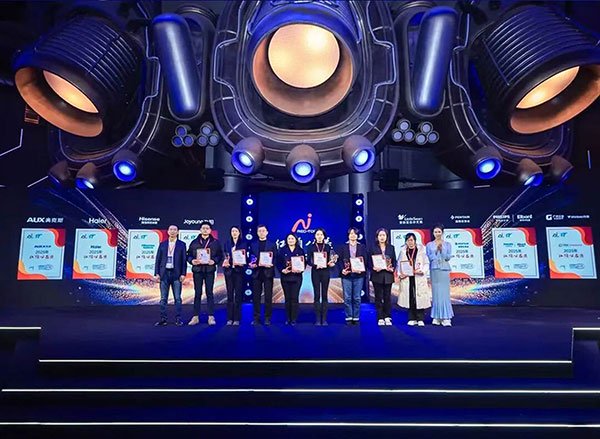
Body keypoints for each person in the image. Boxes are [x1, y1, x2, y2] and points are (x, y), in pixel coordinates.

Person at [187, 221, 223, 326]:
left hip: (209, 270)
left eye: (207, 228)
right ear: (200, 230)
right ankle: (195, 317)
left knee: (209, 293)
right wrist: (192, 260)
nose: (205, 230)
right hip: (197, 270)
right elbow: (188, 255)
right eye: (203, 228)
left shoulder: (215, 242)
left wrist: (214, 261)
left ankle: (211, 316)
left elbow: (220, 255)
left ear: (210, 230)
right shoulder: (194, 242)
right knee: (197, 293)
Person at [154, 225, 187, 326]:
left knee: (177, 298)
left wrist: (183, 273)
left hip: (176, 274)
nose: (172, 231)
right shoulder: (163, 244)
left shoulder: (182, 244)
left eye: (175, 230)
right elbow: (158, 259)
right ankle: (163, 319)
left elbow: (184, 260)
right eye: (171, 229)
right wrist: (156, 273)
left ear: (178, 232)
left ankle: (178, 319)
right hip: (164, 274)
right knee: (163, 299)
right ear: (168, 231)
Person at [397, 232, 431, 326]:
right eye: (408, 240)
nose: (410, 242)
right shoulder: (403, 251)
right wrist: (400, 274)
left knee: (419, 297)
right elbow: (399, 264)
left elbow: (426, 263)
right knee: (410, 297)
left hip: (418, 277)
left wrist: (422, 271)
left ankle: (420, 318)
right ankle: (411, 318)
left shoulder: (421, 251)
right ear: (406, 241)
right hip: (408, 278)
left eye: (412, 240)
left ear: (415, 241)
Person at [306, 228, 337, 326]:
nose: (319, 236)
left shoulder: (328, 247)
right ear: (315, 236)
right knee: (316, 295)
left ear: (324, 236)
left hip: (325, 272)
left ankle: (324, 318)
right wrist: (315, 265)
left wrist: (331, 263)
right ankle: (317, 318)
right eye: (317, 234)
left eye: (321, 234)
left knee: (324, 295)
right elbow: (308, 261)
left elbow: (332, 259)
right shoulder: (311, 247)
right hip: (315, 272)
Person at [248, 224, 277, 325]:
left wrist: (271, 264)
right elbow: (251, 257)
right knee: (256, 297)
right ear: (257, 233)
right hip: (257, 273)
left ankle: (267, 318)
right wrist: (251, 263)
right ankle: (256, 318)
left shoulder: (272, 244)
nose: (261, 232)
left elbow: (275, 258)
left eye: (263, 231)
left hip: (268, 273)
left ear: (267, 232)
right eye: (259, 231)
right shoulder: (253, 244)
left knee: (268, 297)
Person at [426, 224, 454, 327]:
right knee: (436, 293)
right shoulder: (429, 245)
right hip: (434, 270)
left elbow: (447, 257)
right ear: (433, 233)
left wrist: (442, 250)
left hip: (444, 270)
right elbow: (430, 257)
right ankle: (436, 316)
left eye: (439, 231)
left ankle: (446, 317)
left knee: (444, 293)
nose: (437, 233)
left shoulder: (447, 244)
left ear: (442, 232)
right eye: (435, 232)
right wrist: (437, 250)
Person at [338, 227, 367, 325]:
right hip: (346, 275)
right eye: (351, 233)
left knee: (357, 297)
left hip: (359, 275)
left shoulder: (362, 247)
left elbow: (366, 260)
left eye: (355, 233)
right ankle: (349, 316)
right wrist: (342, 270)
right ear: (348, 235)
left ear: (357, 235)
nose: (353, 235)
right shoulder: (343, 247)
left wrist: (361, 269)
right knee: (347, 297)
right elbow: (339, 260)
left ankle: (356, 317)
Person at [369, 228, 397, 326]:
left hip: (388, 276)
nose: (382, 237)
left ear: (386, 237)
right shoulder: (373, 248)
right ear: (377, 237)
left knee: (387, 297)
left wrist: (392, 268)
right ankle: (380, 317)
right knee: (378, 297)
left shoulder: (391, 248)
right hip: (377, 275)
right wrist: (373, 268)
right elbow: (369, 262)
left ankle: (387, 316)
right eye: (380, 235)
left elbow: (394, 261)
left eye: (383, 235)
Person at [276, 232, 305, 325]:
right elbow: (278, 263)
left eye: (292, 238)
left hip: (297, 278)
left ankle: (294, 319)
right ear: (286, 240)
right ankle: (288, 318)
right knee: (287, 298)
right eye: (289, 239)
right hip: (285, 277)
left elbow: (304, 263)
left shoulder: (300, 250)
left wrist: (301, 269)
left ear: (296, 240)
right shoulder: (282, 250)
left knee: (294, 298)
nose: (290, 240)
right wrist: (282, 270)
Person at [222, 226, 248, 326]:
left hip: (239, 272)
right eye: (232, 231)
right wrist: (225, 262)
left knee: (238, 296)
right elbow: (224, 256)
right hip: (229, 272)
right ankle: (229, 318)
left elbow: (246, 258)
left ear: (239, 232)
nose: (234, 233)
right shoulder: (227, 243)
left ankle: (237, 318)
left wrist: (243, 263)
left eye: (236, 231)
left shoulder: (244, 243)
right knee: (229, 296)